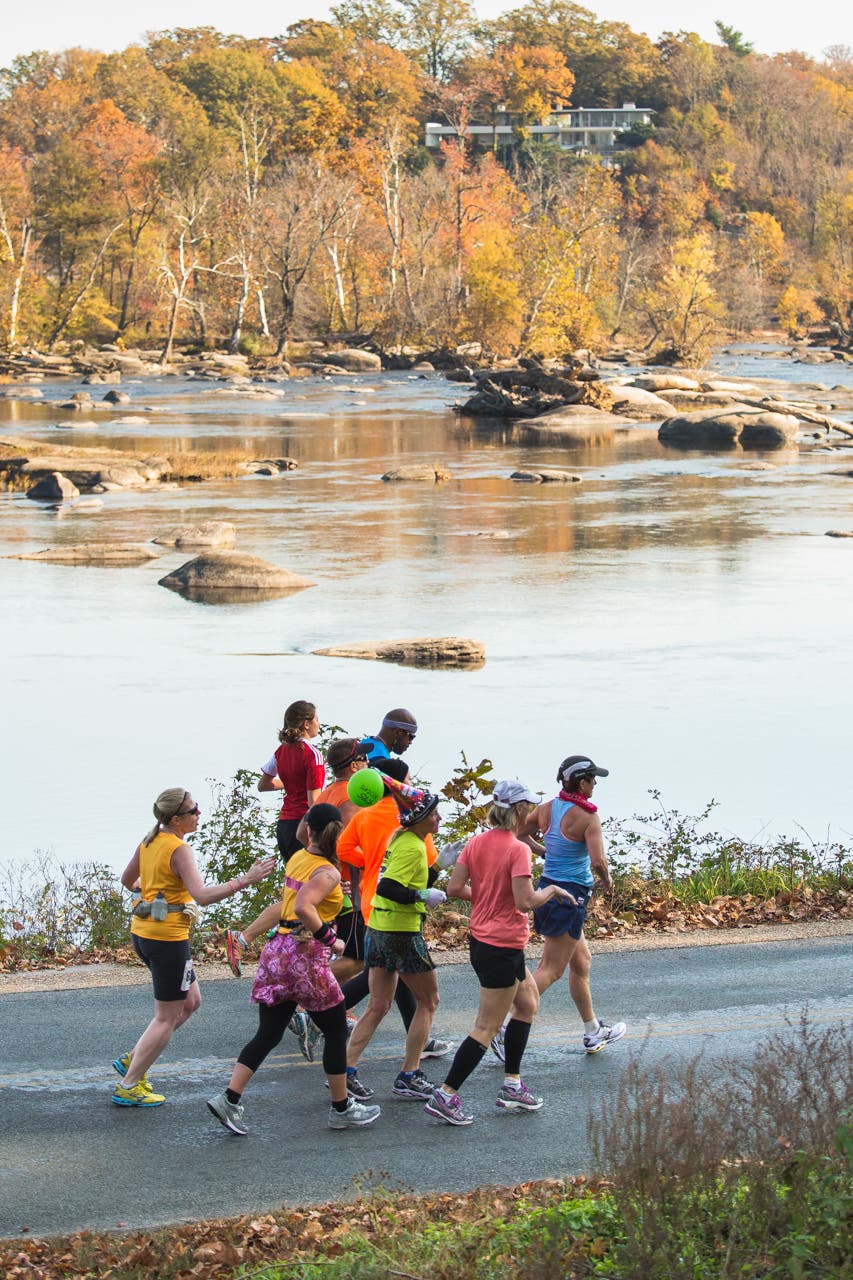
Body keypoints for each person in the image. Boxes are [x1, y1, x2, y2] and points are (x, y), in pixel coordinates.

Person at [207, 804, 381, 1134]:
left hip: (276, 954)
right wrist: (332, 939)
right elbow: (303, 906)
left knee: (269, 1033)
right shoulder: (328, 872)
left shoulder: (300, 858)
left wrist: (334, 890)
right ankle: (341, 1108)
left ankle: (229, 1099)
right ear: (338, 833)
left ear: (308, 831)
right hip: (305, 957)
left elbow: (305, 894)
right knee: (335, 1030)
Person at [424, 780, 576, 1125]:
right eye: (528, 807)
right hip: (502, 945)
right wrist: (552, 890)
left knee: (528, 1003)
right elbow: (525, 902)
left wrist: (489, 896)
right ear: (519, 811)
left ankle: (512, 1085)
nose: (531, 812)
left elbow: (454, 887)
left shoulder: (477, 842)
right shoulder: (518, 849)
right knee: (486, 1027)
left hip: (484, 941)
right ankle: (445, 1095)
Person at [114, 788, 276, 1107]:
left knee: (191, 1002)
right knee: (167, 1016)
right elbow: (202, 896)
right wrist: (245, 880)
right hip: (166, 940)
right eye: (193, 810)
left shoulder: (149, 840)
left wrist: (153, 891)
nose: (199, 814)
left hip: (145, 935)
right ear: (176, 819)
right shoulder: (179, 849)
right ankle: (129, 1085)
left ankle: (136, 1058)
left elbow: (127, 880)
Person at [345, 785, 447, 1100]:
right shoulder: (413, 847)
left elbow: (407, 879)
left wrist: (437, 868)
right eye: (434, 813)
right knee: (429, 1002)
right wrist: (421, 895)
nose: (439, 818)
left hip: (378, 927)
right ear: (419, 817)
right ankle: (409, 1074)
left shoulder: (400, 837)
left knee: (378, 1005)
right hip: (401, 933)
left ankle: (344, 1070)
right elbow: (388, 887)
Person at [519, 756, 626, 1055]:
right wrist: (607, 880)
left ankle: (592, 1031)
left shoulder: (547, 808)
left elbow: (519, 833)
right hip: (570, 896)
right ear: (581, 783)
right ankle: (505, 1026)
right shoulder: (588, 818)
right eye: (592, 779)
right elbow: (598, 860)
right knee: (551, 970)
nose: (595, 784)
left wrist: (543, 850)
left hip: (548, 889)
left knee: (581, 963)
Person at [225, 699, 324, 978]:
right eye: (317, 719)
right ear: (307, 723)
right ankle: (248, 938)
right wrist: (320, 836)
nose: (319, 724)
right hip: (304, 829)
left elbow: (264, 784)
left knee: (301, 894)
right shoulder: (313, 754)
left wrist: (292, 785)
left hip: (285, 826)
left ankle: (286, 946)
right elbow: (314, 804)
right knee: (307, 895)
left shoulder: (281, 751)